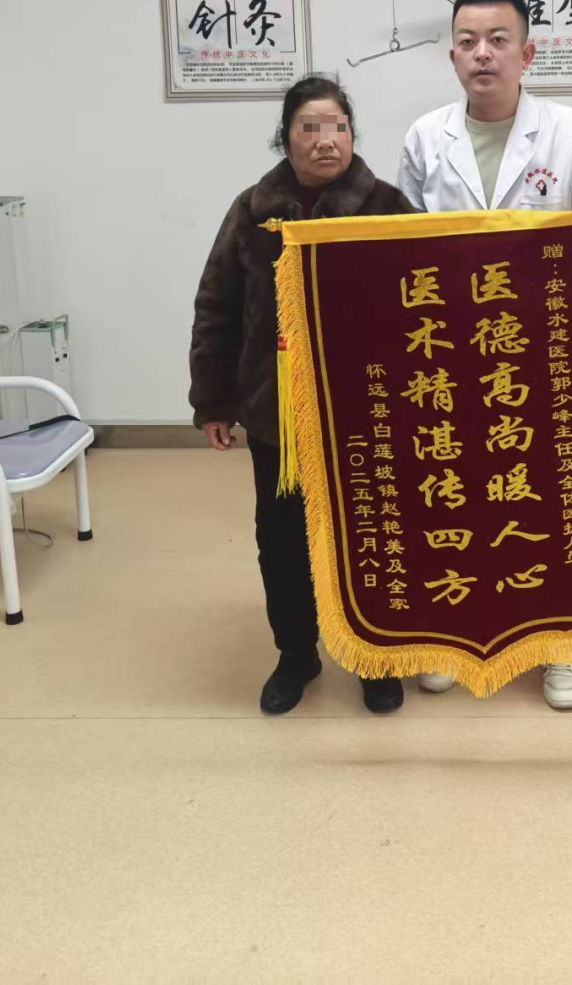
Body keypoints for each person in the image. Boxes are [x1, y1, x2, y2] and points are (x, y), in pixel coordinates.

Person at [398, 0, 572, 711]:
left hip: (544, 349)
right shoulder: (425, 137)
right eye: (468, 41)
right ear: (452, 56)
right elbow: (398, 237)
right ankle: (451, 632)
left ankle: (561, 642)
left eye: (498, 40)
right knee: (454, 487)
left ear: (527, 52)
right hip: (449, 349)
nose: (483, 53)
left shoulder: (569, 131)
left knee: (549, 490)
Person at [189, 75, 416, 717]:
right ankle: (297, 654)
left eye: (337, 126)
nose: (325, 141)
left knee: (372, 533)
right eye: (309, 128)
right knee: (283, 539)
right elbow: (217, 307)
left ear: (352, 134)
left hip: (368, 411)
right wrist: (213, 402)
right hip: (278, 414)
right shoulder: (253, 211)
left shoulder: (387, 207)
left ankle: (376, 653)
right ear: (285, 138)